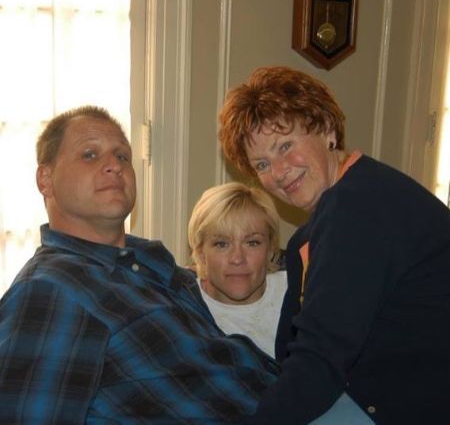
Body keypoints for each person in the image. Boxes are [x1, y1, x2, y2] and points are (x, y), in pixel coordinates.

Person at [0, 105, 280, 424]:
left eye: (122, 156)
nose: (114, 166)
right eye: (90, 155)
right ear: (45, 179)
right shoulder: (50, 291)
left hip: (290, 399)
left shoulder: (149, 264)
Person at [218, 66, 450, 425]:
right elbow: (294, 350)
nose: (278, 172)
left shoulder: (357, 208)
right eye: (262, 164)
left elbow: (319, 359)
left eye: (285, 146)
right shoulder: (320, 225)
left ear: (327, 128)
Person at [187, 181, 287, 358]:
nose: (237, 258)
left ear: (271, 249)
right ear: (201, 252)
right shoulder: (183, 307)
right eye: (222, 244)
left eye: (252, 243)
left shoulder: (298, 292)